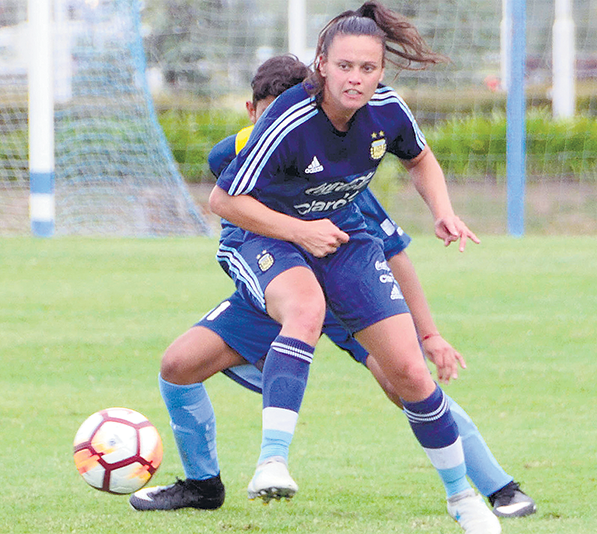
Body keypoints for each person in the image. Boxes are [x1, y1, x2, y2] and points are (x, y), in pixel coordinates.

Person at [129, 53, 535, 520]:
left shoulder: (341, 182)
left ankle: (498, 487)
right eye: (268, 116)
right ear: (252, 113)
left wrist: (429, 334)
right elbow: (227, 196)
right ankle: (203, 486)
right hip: (277, 285)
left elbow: (394, 254)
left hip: (344, 289)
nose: (279, 127)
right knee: (179, 364)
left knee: (405, 381)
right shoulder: (235, 159)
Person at [207, 3, 504, 532]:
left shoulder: (387, 110)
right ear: (321, 64)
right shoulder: (289, 118)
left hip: (344, 238)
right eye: (345, 66)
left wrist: (443, 211)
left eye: (368, 68)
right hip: (270, 235)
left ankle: (462, 496)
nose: (356, 78)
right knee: (305, 309)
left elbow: (419, 158)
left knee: (409, 372)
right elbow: (223, 201)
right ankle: (272, 461)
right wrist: (299, 230)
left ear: (381, 71)